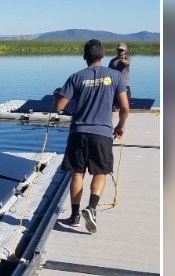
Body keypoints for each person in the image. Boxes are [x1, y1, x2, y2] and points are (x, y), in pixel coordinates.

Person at [53, 39, 129, 233]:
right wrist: (120, 126)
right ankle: (92, 208)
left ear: (85, 56)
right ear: (102, 55)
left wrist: (56, 95)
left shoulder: (75, 77)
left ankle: (75, 216)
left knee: (77, 174)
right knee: (100, 173)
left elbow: (59, 107)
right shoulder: (115, 76)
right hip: (102, 133)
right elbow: (124, 107)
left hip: (78, 132)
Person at [108, 42, 131, 106]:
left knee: (125, 106)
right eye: (119, 50)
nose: (120, 51)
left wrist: (121, 58)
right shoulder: (112, 61)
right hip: (114, 85)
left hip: (125, 85)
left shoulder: (127, 58)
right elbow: (108, 71)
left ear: (125, 51)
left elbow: (127, 63)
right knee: (112, 106)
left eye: (122, 50)